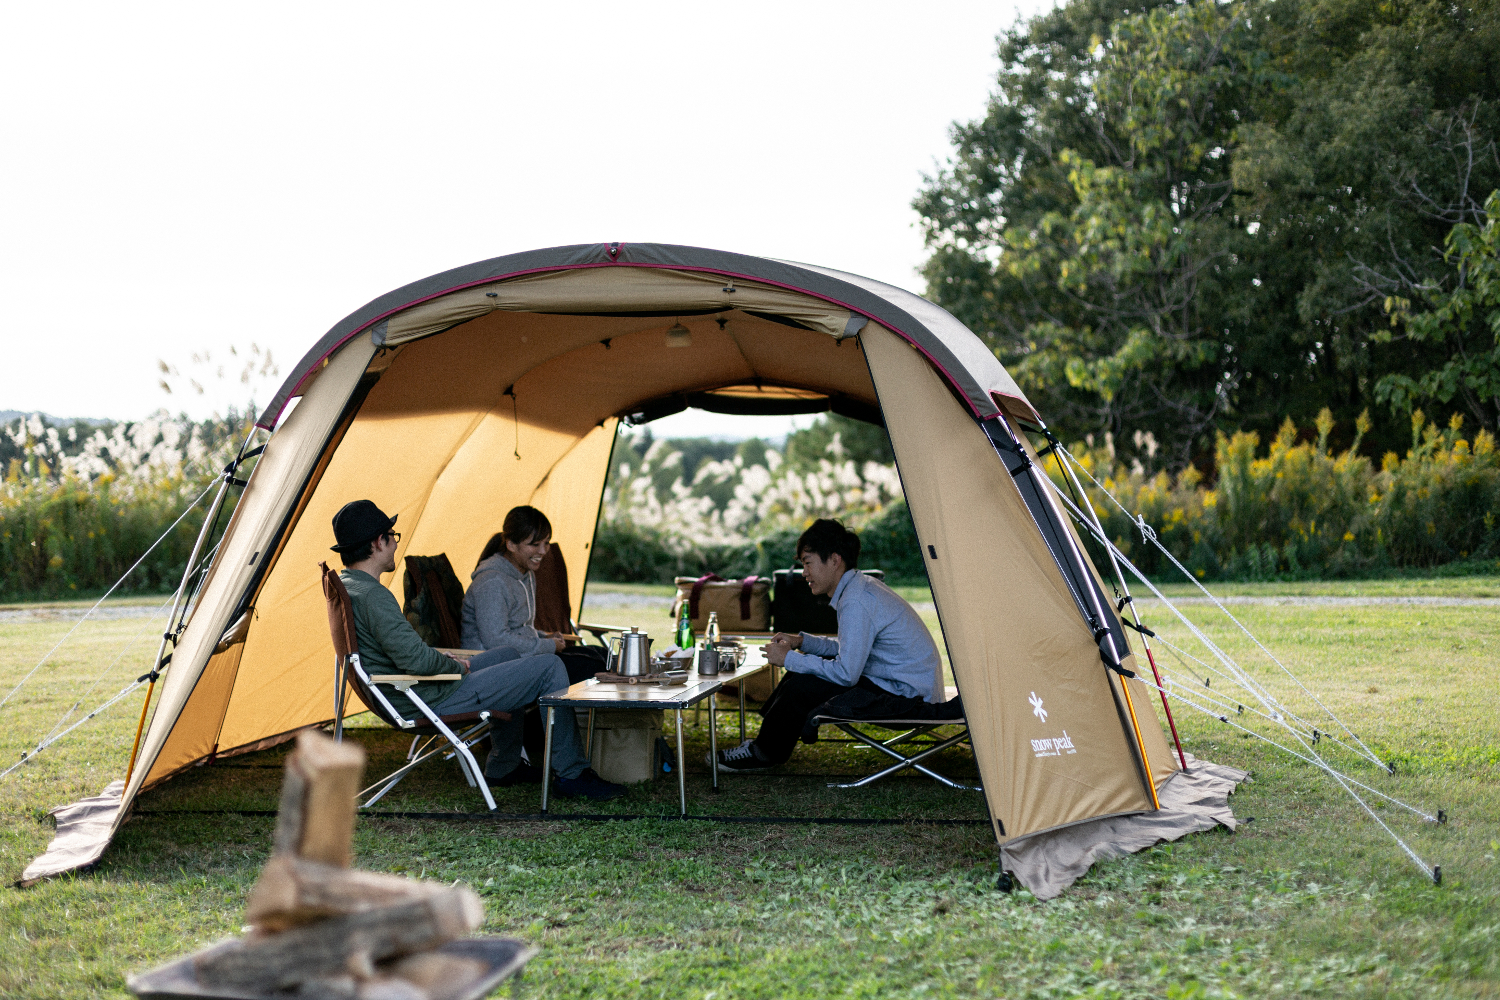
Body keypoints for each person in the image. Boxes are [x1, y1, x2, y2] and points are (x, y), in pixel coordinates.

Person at [331, 499, 622, 801]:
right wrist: (458, 667)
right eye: (393, 537)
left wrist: (441, 658)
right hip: (426, 698)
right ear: (379, 542)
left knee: (507, 656)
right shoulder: (374, 596)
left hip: (409, 690)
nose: (394, 545)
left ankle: (504, 766)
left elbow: (406, 653)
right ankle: (572, 774)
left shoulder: (350, 586)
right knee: (549, 666)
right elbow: (413, 658)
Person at [708, 518, 957, 773]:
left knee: (804, 682)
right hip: (900, 685)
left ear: (835, 560)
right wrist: (802, 642)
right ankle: (765, 743)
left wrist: (790, 658)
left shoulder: (857, 600)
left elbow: (847, 674)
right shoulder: (858, 589)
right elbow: (850, 648)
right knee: (801, 673)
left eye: (808, 563)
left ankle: (763, 753)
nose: (804, 572)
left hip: (908, 697)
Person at [462, 506, 607, 685]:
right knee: (591, 665)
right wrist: (547, 646)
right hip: (491, 668)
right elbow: (496, 640)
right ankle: (558, 713)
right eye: (535, 544)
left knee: (601, 654)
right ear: (511, 545)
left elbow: (519, 628)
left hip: (519, 659)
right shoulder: (491, 582)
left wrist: (543, 636)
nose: (543, 551)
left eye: (546, 543)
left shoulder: (526, 574)